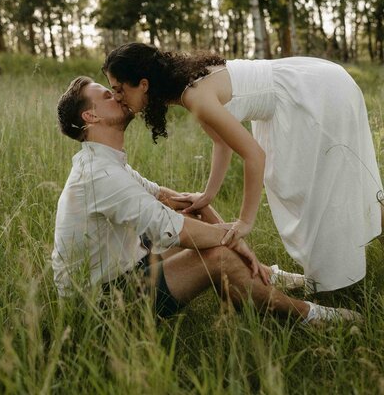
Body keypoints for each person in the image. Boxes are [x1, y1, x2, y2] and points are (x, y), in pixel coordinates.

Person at [51, 76, 362, 326]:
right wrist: (234, 239)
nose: (117, 95)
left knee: (195, 212)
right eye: (107, 95)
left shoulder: (108, 163)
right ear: (90, 116)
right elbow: (172, 230)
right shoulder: (101, 176)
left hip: (131, 268)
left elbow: (167, 199)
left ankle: (257, 285)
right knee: (219, 256)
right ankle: (305, 315)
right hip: (103, 304)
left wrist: (204, 209)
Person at [102, 43, 384, 294]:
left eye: (118, 89)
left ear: (143, 84)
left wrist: (244, 222)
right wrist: (208, 196)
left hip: (311, 93)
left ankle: (335, 282)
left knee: (320, 187)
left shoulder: (194, 95)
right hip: (303, 89)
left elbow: (254, 156)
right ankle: (331, 275)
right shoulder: (186, 87)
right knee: (321, 184)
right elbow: (221, 143)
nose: (116, 98)